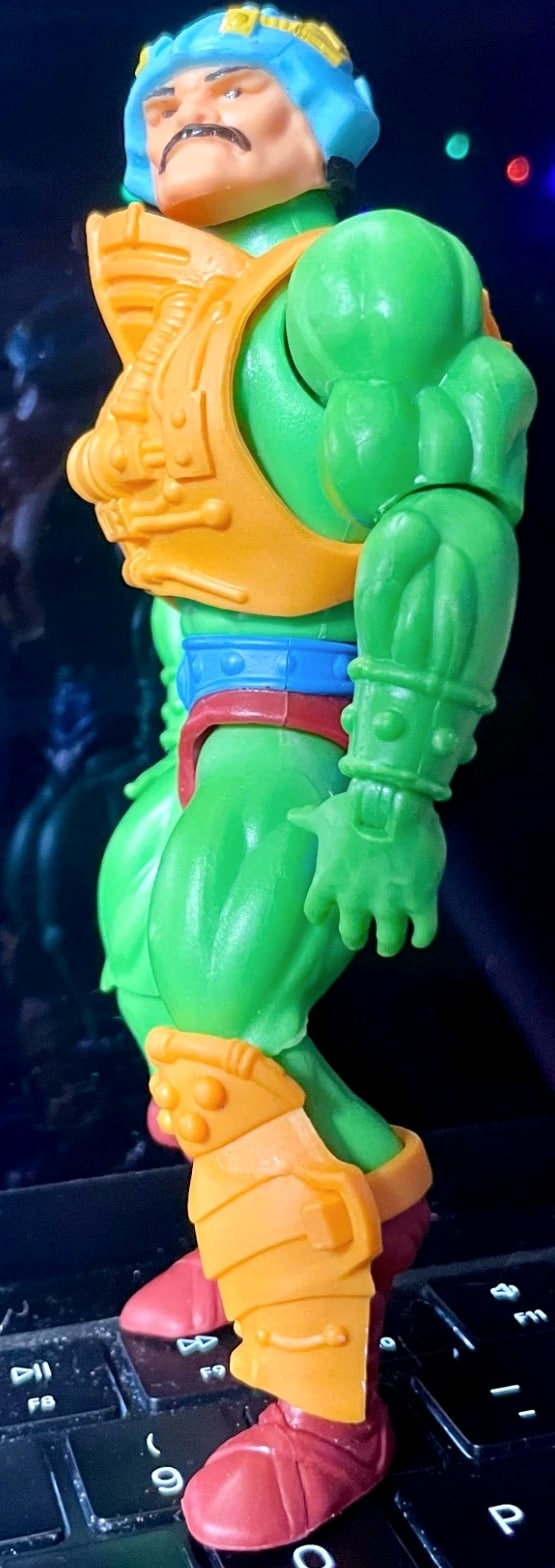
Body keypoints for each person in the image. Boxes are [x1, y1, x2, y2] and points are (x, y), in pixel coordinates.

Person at [68, 6, 537, 1552]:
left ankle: (326, 1403)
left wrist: (393, 791)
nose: (189, 112)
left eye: (235, 86)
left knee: (216, 1037)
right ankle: (340, 1211)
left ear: (324, 121)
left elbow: (446, 523)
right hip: (196, 731)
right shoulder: (184, 309)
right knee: (167, 1002)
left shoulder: (367, 271)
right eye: (163, 100)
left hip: (313, 724)